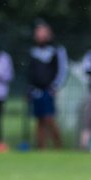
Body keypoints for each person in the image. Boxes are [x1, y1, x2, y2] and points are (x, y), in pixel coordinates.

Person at [27, 20, 67, 149]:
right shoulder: (33, 51)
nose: (40, 36)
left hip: (49, 90)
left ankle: (58, 146)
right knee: (39, 120)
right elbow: (30, 72)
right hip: (36, 91)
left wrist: (55, 86)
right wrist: (30, 88)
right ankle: (41, 148)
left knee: (49, 118)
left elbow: (63, 70)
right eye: (38, 33)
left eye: (43, 33)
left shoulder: (57, 50)